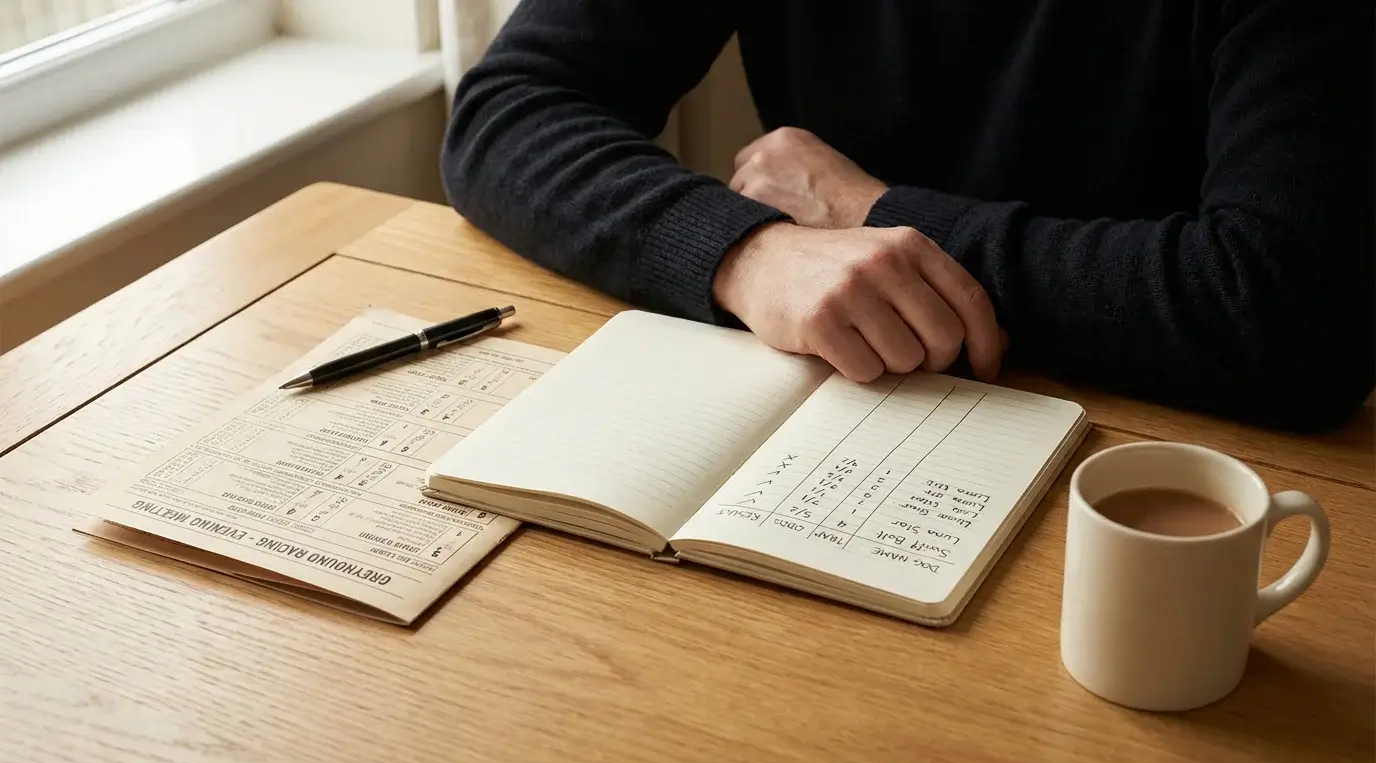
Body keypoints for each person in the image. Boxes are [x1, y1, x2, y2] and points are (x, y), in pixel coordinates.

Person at [439, 1, 1373, 432]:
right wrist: (745, 251)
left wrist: (864, 209)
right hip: (841, 413)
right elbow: (510, 110)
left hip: (1158, 452)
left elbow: (1294, 312)